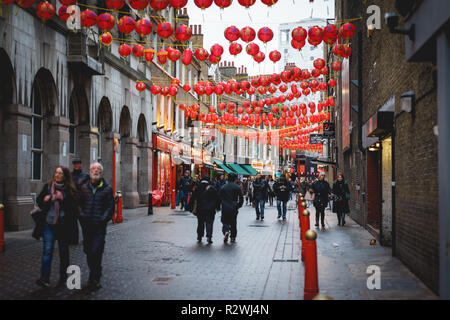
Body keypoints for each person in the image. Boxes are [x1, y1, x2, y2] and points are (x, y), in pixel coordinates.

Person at [35, 166, 79, 288]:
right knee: (47, 251)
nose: (57, 175)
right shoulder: (48, 187)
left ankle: (63, 277)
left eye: (60, 173)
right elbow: (39, 201)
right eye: (56, 173)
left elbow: (74, 207)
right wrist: (45, 199)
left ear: (65, 176)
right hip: (49, 225)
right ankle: (44, 278)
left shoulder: (69, 189)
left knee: (63, 252)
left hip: (63, 225)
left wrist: (63, 198)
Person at [78, 162, 114, 290]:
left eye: (98, 169)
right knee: (88, 251)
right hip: (87, 226)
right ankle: (95, 271)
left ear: (101, 172)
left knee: (96, 251)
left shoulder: (107, 188)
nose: (96, 171)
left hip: (99, 227)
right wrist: (82, 217)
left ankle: (95, 278)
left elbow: (110, 207)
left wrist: (103, 219)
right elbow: (79, 204)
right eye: (93, 169)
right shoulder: (83, 188)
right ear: (89, 171)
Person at [190, 175, 219, 244]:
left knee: (200, 223)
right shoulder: (212, 188)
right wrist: (217, 207)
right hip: (210, 209)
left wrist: (190, 207)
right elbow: (217, 198)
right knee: (209, 223)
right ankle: (209, 237)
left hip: (200, 209)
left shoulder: (198, 187)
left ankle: (199, 236)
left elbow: (193, 198)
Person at [218, 173, 244, 243]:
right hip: (233, 207)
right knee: (233, 222)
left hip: (225, 207)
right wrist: (238, 205)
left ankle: (226, 231)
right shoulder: (237, 187)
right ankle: (233, 237)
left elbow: (219, 197)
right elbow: (241, 197)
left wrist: (219, 205)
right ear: (234, 179)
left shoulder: (223, 187)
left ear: (227, 178)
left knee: (224, 221)